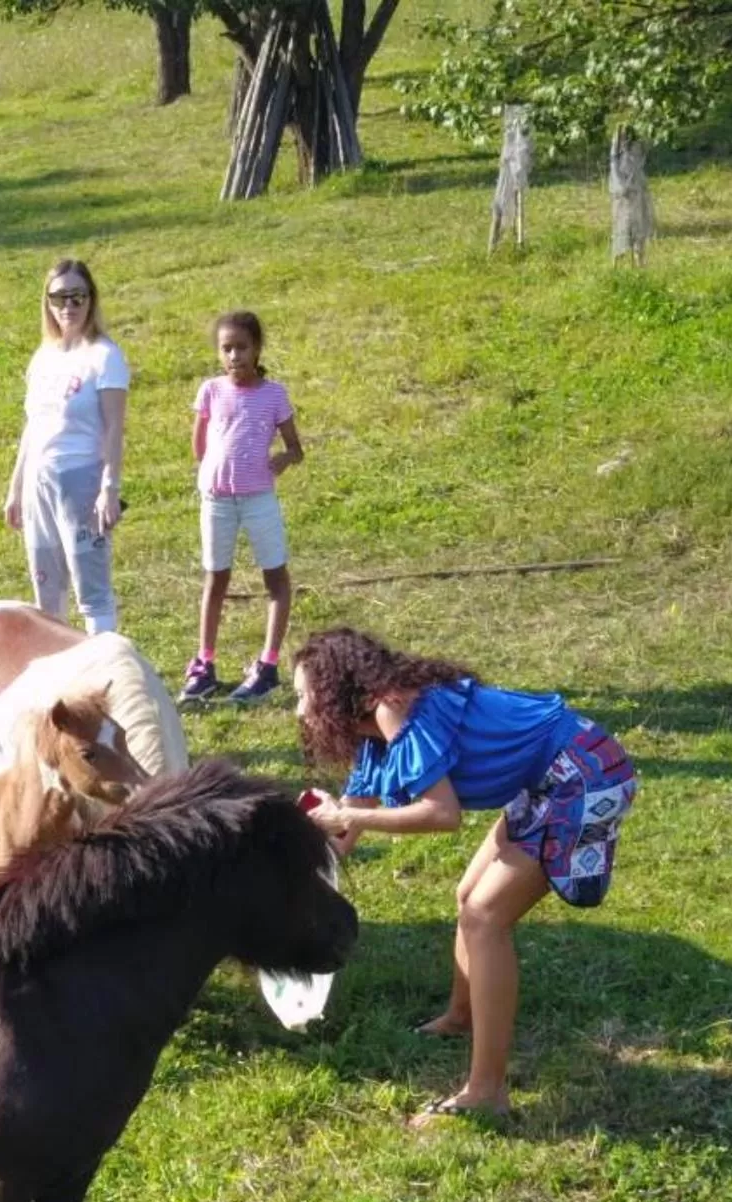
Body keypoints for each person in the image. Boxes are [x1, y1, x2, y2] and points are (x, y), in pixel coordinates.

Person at [293, 627, 639, 1125]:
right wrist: (316, 826)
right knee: (469, 898)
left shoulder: (394, 708)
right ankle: (461, 1017)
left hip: (584, 774)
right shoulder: (371, 733)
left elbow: (441, 814)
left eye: (305, 695)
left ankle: (487, 1091)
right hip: (550, 776)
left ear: (335, 691)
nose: (301, 710)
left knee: (483, 917)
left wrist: (352, 818)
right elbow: (343, 838)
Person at [183, 310, 304, 706]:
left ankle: (268, 665)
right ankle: (205, 664)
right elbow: (200, 443)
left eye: (241, 347)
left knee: (275, 578)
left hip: (258, 501)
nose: (234, 356)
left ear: (257, 349)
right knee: (215, 578)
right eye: (226, 349)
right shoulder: (211, 391)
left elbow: (294, 446)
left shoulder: (274, 395)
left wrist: (283, 460)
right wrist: (210, 476)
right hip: (217, 500)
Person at [3, 258, 128, 634]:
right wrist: (16, 488)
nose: (68, 307)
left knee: (91, 588)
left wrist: (109, 487)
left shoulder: (105, 357)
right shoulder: (44, 357)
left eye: (77, 297)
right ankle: (59, 678)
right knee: (46, 587)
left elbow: (113, 428)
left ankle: (104, 674)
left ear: (91, 300)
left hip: (80, 479)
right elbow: (33, 425)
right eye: (59, 297)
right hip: (39, 480)